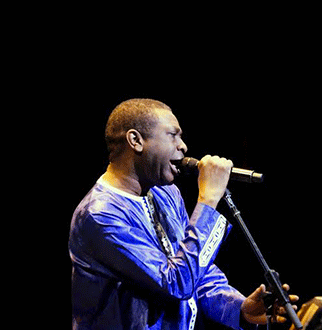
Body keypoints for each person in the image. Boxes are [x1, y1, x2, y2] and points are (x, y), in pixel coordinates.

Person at [69, 98, 297, 329]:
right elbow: (175, 283)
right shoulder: (99, 215)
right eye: (173, 135)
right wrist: (208, 200)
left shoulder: (165, 193)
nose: (183, 146)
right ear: (136, 140)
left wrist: (239, 307)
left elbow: (195, 271)